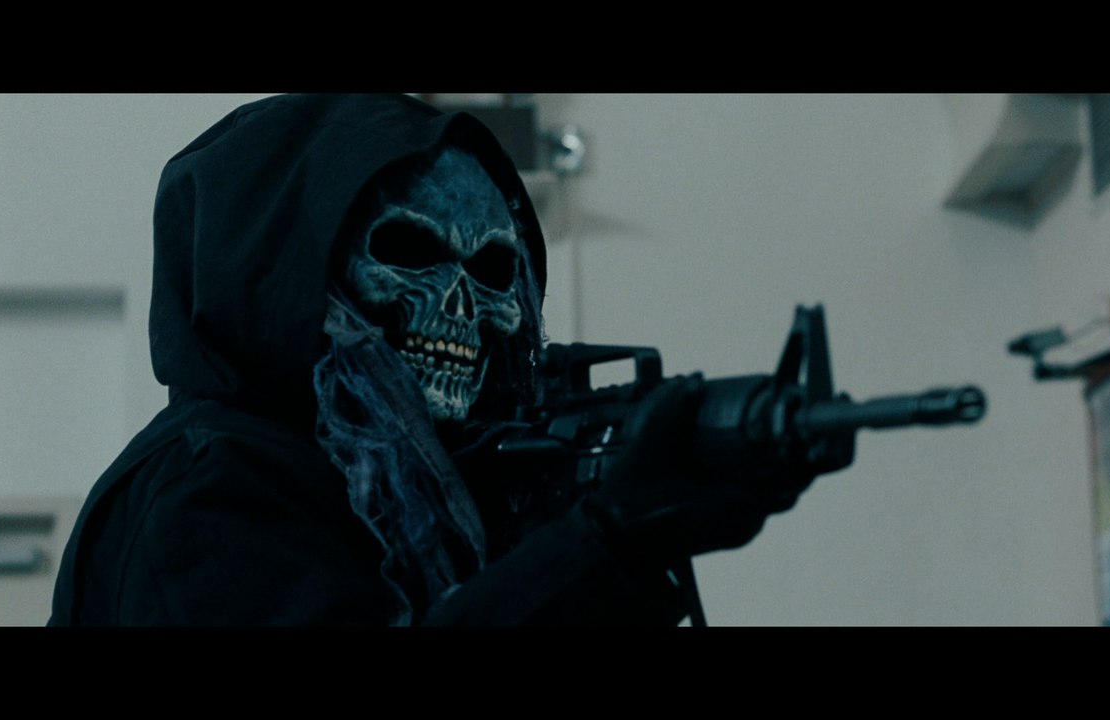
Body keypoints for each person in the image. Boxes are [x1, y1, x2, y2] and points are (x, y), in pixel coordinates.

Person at [49, 93, 812, 626]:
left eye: (492, 270)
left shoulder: (402, 486)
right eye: (409, 251)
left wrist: (622, 546)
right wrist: (606, 540)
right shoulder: (208, 484)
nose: (462, 306)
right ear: (287, 278)